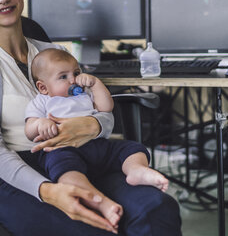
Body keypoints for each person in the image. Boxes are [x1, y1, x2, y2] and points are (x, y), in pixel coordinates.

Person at [0, 0, 182, 235]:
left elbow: (101, 112)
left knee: (157, 208)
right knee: (95, 227)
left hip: (82, 157)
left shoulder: (56, 53)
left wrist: (89, 125)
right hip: (15, 174)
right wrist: (48, 191)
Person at [25, 48, 169, 232]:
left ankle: (136, 170)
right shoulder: (42, 101)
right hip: (64, 150)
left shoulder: (84, 94)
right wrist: (40, 124)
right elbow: (29, 130)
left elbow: (106, 107)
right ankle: (100, 202)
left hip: (97, 145)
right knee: (64, 171)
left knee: (132, 148)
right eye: (63, 77)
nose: (73, 80)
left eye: (76, 73)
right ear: (43, 87)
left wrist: (95, 84)